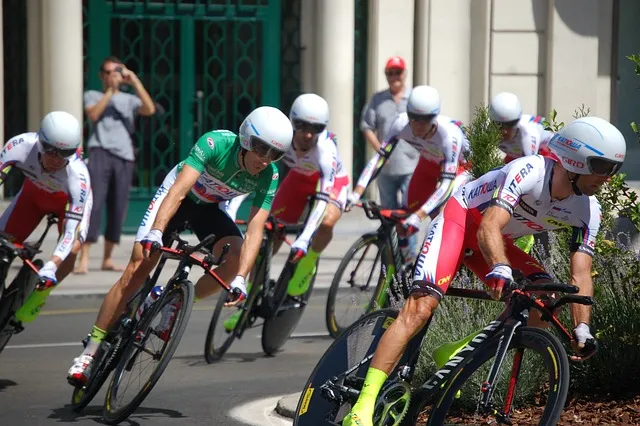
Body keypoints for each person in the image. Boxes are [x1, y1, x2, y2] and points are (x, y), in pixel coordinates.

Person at [343, 116, 625, 426]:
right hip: (461, 222)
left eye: (614, 169)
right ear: (575, 161)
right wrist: (500, 266)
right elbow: (489, 224)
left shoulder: (588, 210)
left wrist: (582, 328)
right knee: (421, 307)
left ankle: (456, 352)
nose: (608, 177)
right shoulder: (529, 170)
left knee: (544, 299)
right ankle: (363, 405)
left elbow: (581, 275)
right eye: (602, 166)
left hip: (495, 240)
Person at [66, 106, 293, 385]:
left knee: (234, 261)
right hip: (178, 197)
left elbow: (256, 229)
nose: (265, 158)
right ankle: (91, 350)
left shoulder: (268, 175)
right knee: (139, 265)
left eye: (275, 154)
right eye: (261, 148)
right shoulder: (215, 143)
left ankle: (175, 303)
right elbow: (179, 190)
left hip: (208, 208)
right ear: (246, 137)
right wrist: (157, 231)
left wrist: (242, 279)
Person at [223, 94, 349, 330]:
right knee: (269, 234)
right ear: (292, 122)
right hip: (299, 180)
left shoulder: (325, 149)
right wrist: (231, 208)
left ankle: (309, 261)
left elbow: (323, 200)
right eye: (301, 126)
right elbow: (252, 177)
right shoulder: (282, 138)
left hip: (331, 185)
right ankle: (247, 298)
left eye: (316, 128)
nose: (308, 134)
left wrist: (303, 240)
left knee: (328, 221)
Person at [0, 111, 93, 323]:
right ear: (40, 141)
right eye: (51, 151)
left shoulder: (78, 176)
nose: (56, 159)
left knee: (73, 249)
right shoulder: (20, 145)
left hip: (66, 204)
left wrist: (51, 265)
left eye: (65, 153)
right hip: (33, 196)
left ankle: (41, 294)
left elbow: (70, 233)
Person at [348, 85, 470, 242]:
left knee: (440, 214)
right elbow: (379, 158)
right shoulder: (401, 123)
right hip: (429, 162)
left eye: (425, 119)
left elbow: (447, 184)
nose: (418, 125)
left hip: (460, 168)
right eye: (414, 117)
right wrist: (357, 192)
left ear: (434, 118)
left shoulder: (449, 136)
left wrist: (420, 215)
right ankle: (405, 260)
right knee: (404, 214)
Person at [74, 56, 156, 274]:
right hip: (100, 152)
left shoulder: (129, 100)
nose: (114, 75)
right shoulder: (93, 95)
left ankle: (107, 258)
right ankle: (84, 258)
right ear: (102, 75)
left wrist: (135, 81)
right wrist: (110, 91)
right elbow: (93, 115)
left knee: (118, 206)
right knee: (95, 203)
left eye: (117, 71)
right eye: (109, 71)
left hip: (124, 156)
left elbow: (149, 109)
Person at [360, 56, 418, 257]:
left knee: (408, 212)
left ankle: (409, 256)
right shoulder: (378, 99)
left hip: (411, 165)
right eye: (390, 73)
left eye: (397, 72)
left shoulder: (414, 98)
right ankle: (392, 255)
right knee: (388, 213)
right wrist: (380, 149)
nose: (394, 77)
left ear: (405, 74)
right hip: (386, 169)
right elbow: (367, 126)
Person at [489, 91, 555, 252]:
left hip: (544, 156)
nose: (504, 131)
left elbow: (532, 173)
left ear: (517, 122)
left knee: (534, 197)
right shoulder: (486, 130)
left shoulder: (528, 134)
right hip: (517, 157)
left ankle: (536, 241)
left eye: (509, 125)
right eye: (499, 126)